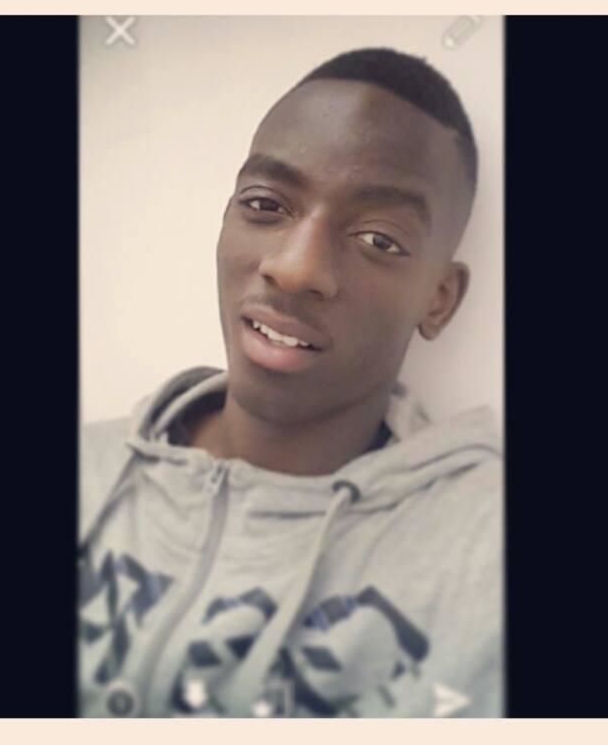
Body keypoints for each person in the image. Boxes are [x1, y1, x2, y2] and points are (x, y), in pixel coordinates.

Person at [78, 47, 503, 718]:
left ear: (439, 299)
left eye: (379, 240)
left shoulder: (489, 555)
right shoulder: (84, 469)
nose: (296, 268)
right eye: (266, 204)